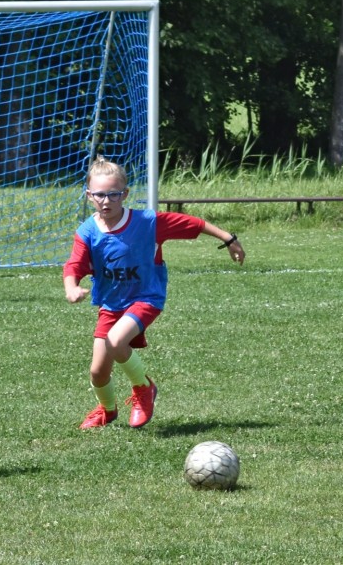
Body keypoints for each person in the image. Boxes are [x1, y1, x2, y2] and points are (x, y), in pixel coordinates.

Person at [63, 158, 245, 429]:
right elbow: (74, 265)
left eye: (114, 194)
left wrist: (228, 239)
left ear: (125, 194)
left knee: (116, 341)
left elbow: (192, 223)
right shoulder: (87, 231)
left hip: (146, 297)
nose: (106, 201)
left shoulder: (147, 222)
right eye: (99, 195)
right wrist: (72, 287)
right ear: (89, 195)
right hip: (111, 304)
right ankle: (107, 410)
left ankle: (143, 388)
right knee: (98, 372)